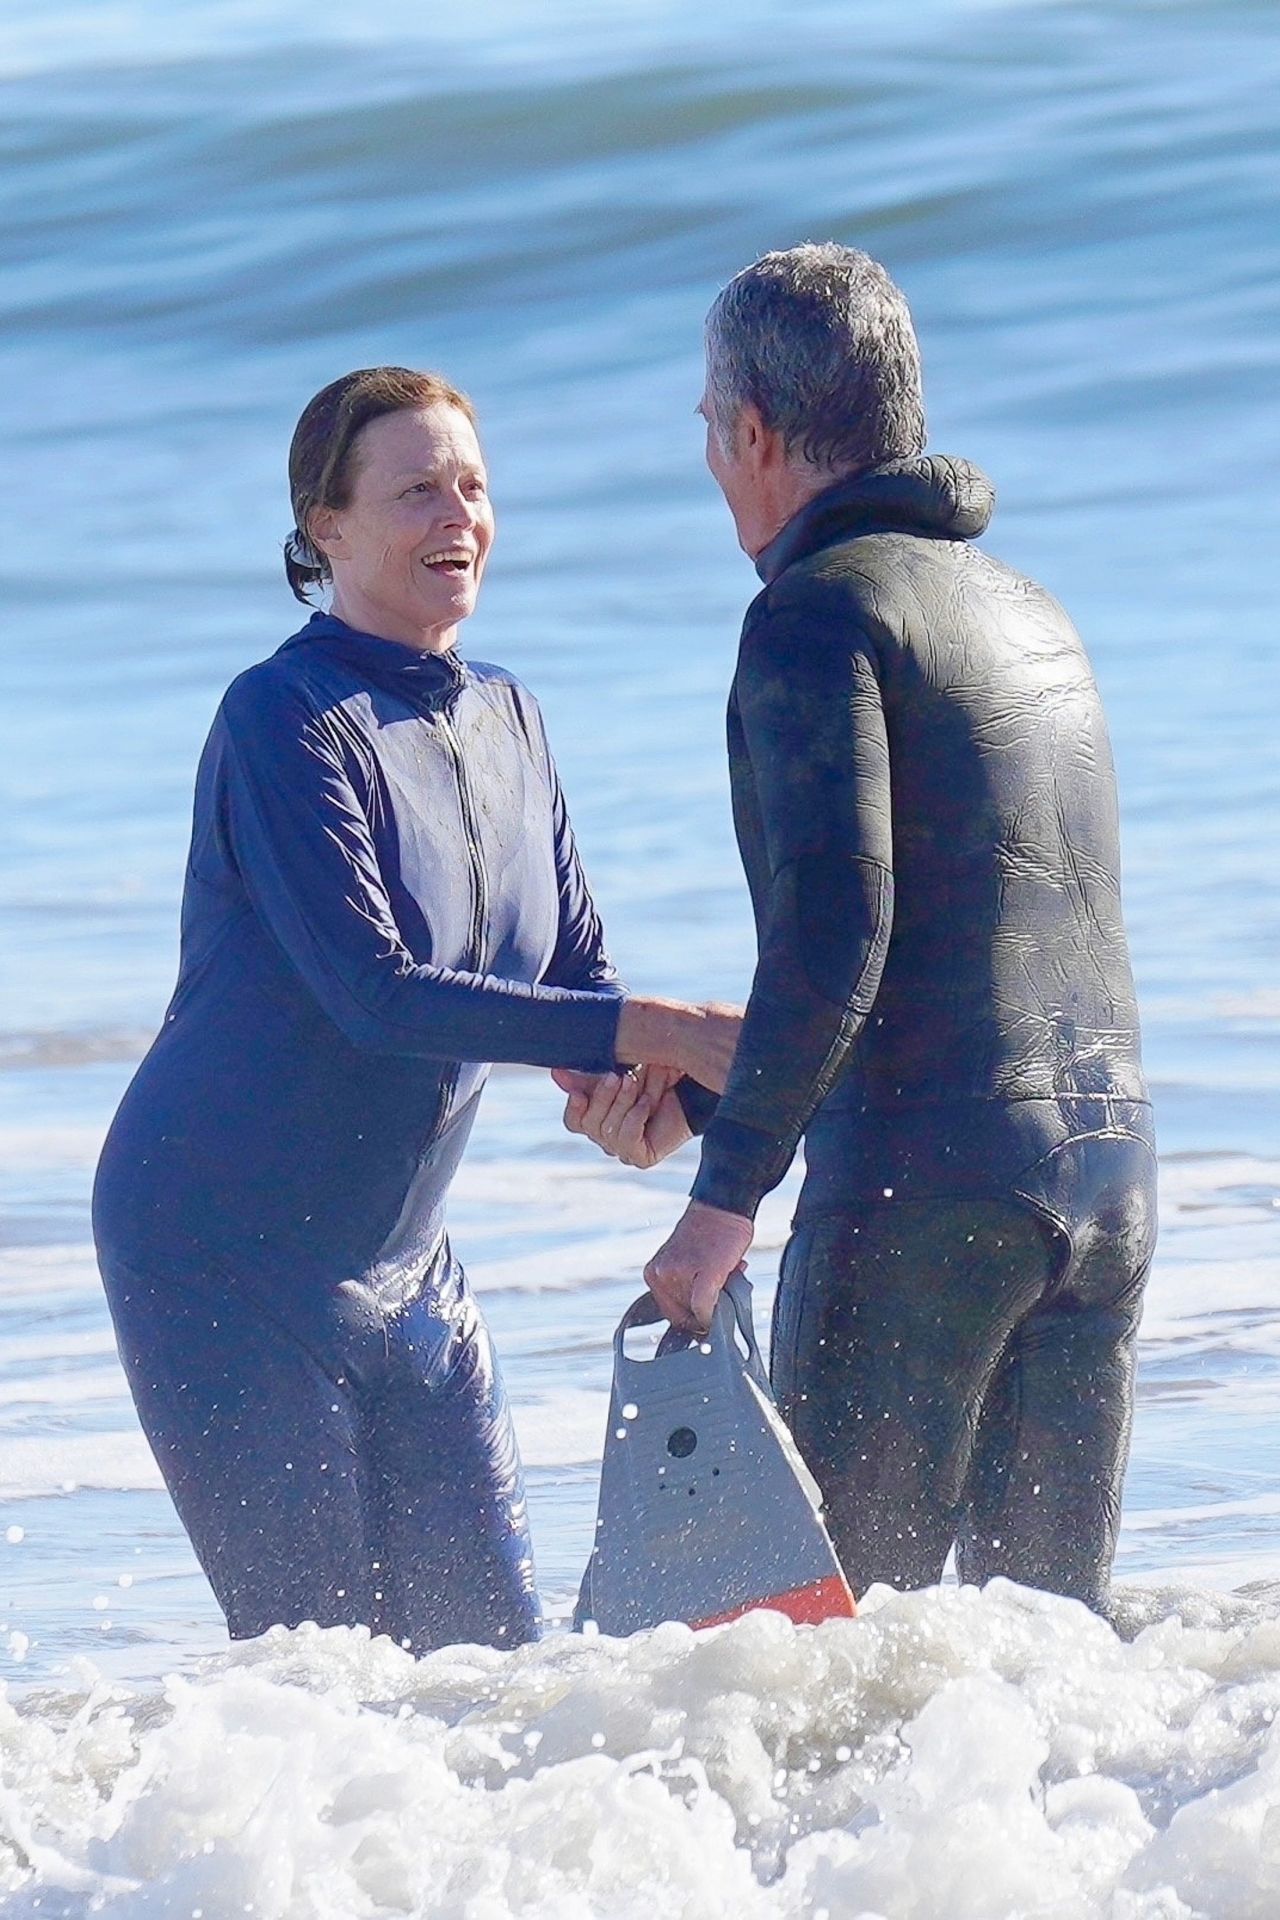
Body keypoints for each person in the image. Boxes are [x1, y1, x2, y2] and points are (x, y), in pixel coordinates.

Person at [93, 366, 737, 1653]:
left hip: (410, 1271)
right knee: (315, 1676)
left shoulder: (509, 714)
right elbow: (374, 995)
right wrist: (657, 1032)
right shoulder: (285, 717)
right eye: (414, 491)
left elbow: (573, 991)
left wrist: (666, 1101)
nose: (459, 514)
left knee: (492, 1665)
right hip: (223, 1255)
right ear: (323, 529)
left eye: (473, 485)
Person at [558, 246, 1157, 1612]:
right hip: (1107, 1187)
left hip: (923, 1203)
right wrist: (732, 1106)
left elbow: (841, 935)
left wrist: (724, 1204)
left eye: (713, 429)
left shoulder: (813, 617)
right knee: (1046, 1664)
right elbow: (980, 947)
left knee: (832, 1657)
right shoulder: (1031, 615)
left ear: (757, 433)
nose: (714, 459)